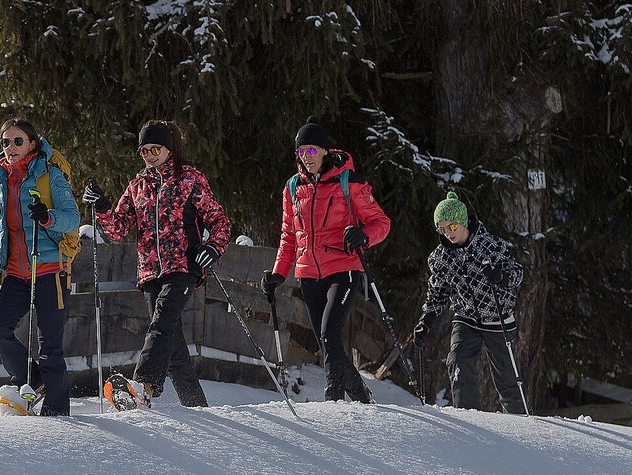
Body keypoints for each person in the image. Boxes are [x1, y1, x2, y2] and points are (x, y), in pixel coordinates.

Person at [81, 120, 230, 408]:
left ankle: (144, 385)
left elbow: (219, 220)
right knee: (172, 346)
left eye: (155, 149)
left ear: (169, 149)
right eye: (144, 151)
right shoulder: (139, 184)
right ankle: (196, 406)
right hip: (150, 271)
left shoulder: (189, 179)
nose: (149, 155)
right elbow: (117, 230)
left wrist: (214, 246)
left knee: (161, 325)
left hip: (183, 266)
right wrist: (101, 207)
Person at [0, 118, 80, 416]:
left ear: (32, 144)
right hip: (16, 274)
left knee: (50, 351)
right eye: (6, 142)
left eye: (17, 141)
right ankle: (33, 379)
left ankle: (57, 417)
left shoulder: (50, 175)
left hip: (49, 271)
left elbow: (72, 218)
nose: (11, 148)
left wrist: (47, 217)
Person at [262, 115, 391, 403]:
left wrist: (363, 235)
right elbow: (288, 236)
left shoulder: (348, 182)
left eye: (311, 151)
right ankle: (361, 396)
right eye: (301, 151)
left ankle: (332, 401)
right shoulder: (293, 188)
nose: (306, 157)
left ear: (324, 151)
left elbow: (381, 222)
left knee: (329, 333)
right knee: (326, 341)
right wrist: (279, 274)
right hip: (309, 274)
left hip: (343, 269)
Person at [413, 192, 526, 413]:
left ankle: (520, 421)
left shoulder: (490, 246)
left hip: (498, 317)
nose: (448, 234)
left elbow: (517, 273)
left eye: (452, 227)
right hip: (466, 318)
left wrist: (500, 276)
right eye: (442, 229)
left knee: (506, 376)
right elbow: (437, 293)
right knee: (457, 360)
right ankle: (469, 416)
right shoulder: (441, 257)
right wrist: (426, 321)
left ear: (463, 222)